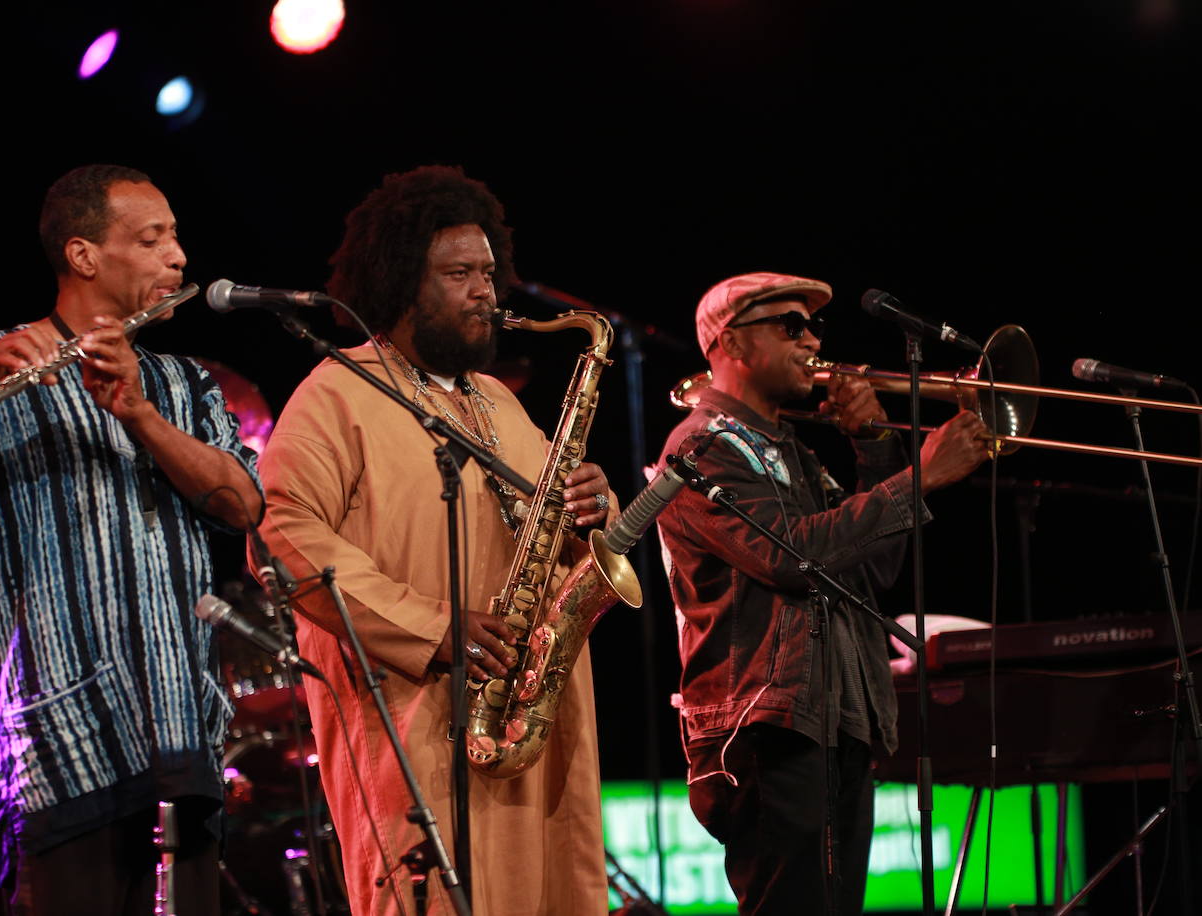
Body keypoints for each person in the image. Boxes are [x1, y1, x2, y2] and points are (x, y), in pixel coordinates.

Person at [0, 164, 263, 916]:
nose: (178, 257)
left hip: (181, 738)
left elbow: (242, 506)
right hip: (55, 750)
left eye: (175, 237)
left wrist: (140, 415)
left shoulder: (181, 384)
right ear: (83, 256)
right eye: (153, 238)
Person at [256, 165, 614, 914]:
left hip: (529, 727)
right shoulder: (335, 395)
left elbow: (549, 531)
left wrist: (592, 509)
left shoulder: (499, 405)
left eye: (488, 272)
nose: (486, 291)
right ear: (400, 282)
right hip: (419, 725)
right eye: (460, 274)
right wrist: (435, 626)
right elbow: (282, 536)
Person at [655, 272, 989, 915]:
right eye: (790, 325)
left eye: (813, 326)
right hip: (763, 722)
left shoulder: (796, 454)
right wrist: (921, 477)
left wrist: (874, 445)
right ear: (732, 342)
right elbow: (790, 556)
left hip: (834, 714)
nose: (812, 339)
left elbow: (872, 572)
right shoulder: (701, 449)